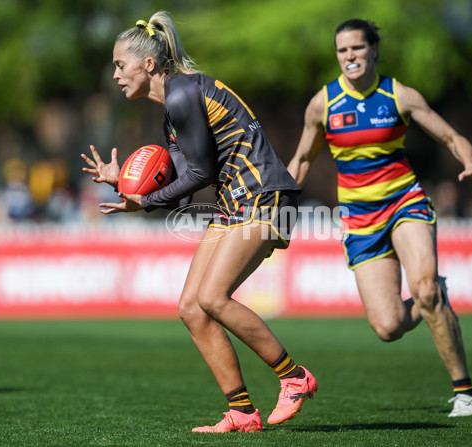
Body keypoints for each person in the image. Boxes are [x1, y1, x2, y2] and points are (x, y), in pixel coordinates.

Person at [80, 11, 317, 433]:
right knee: (192, 307)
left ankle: (294, 377)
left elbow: (200, 173)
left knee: (213, 297)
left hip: (263, 195)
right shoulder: (175, 103)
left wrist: (147, 201)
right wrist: (127, 186)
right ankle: (242, 412)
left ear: (149, 64)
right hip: (238, 200)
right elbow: (185, 180)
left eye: (120, 64)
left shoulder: (181, 94)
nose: (116, 74)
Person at [287, 18, 472, 417]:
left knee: (424, 288)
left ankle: (465, 392)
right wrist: (275, 206)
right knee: (387, 327)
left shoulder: (400, 95)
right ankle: (433, 293)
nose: (350, 56)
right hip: (359, 219)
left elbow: (452, 137)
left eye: (357, 48)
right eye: (342, 50)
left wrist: (470, 160)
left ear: (374, 50)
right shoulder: (323, 103)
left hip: (405, 202)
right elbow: (300, 159)